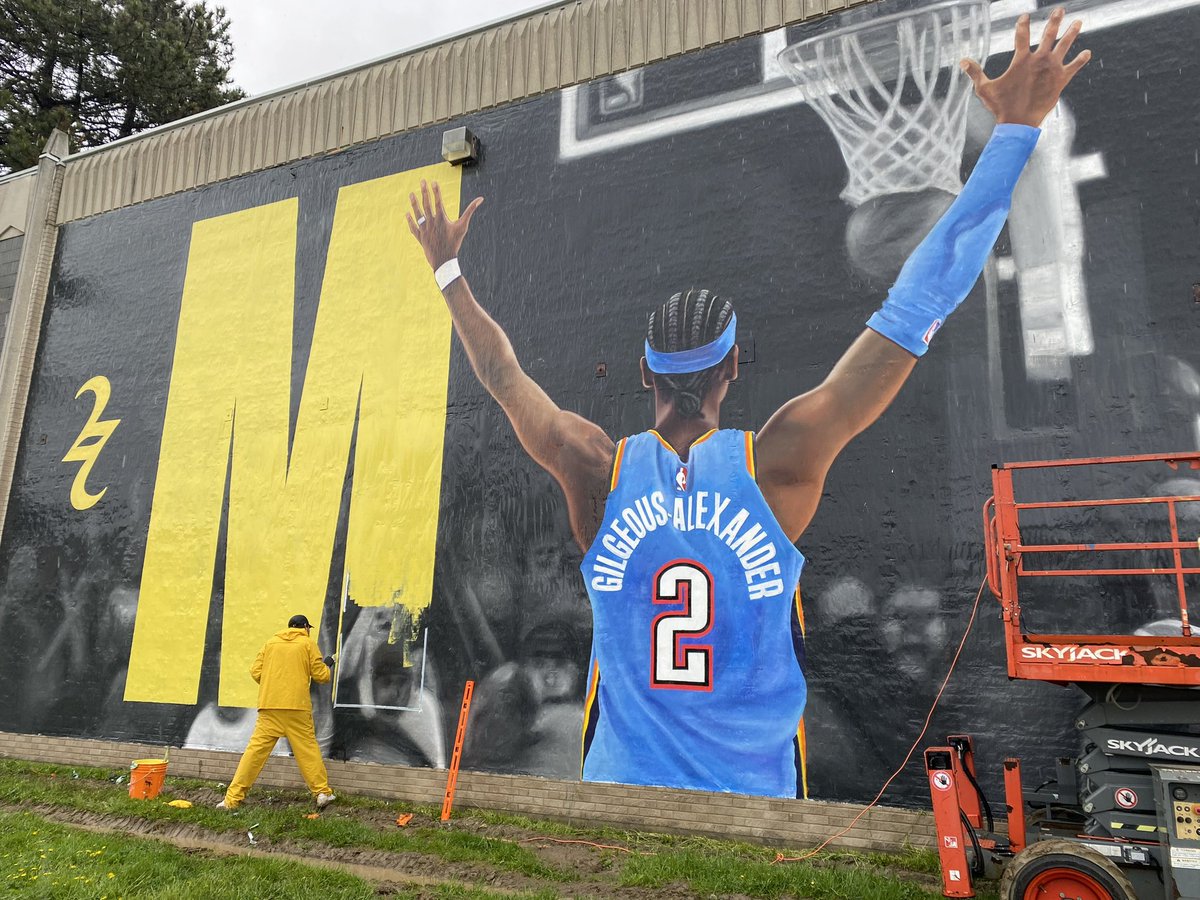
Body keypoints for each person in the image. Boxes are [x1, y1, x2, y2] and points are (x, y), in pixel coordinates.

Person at [406, 11, 1091, 797]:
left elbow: (501, 374)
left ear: (644, 372)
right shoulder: (781, 459)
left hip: (620, 790)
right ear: (733, 366)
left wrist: (449, 273)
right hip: (754, 800)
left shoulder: (593, 465)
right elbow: (913, 310)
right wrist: (1013, 136)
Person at [219, 614, 337, 810]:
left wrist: (272, 684)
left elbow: (256, 672)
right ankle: (322, 793)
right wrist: (328, 664)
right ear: (306, 628)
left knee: (254, 753)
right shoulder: (307, 644)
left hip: (269, 708)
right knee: (308, 751)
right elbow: (321, 676)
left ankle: (231, 800)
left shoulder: (270, 643)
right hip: (297, 709)